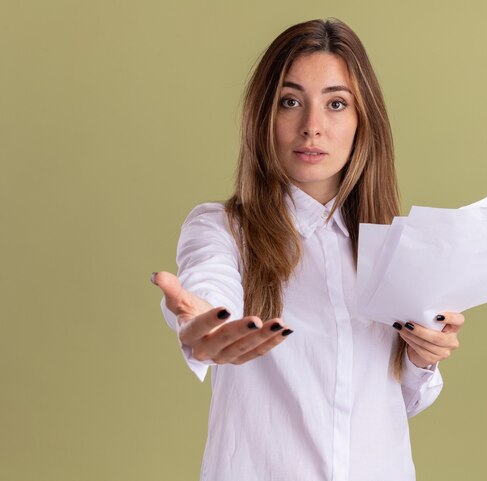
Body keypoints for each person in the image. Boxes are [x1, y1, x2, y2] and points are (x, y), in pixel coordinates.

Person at [152, 18, 464, 481]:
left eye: (336, 104)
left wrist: (422, 356)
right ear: (264, 116)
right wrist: (203, 326)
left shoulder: (397, 247)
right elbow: (208, 287)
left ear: (363, 120)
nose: (312, 127)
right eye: (291, 101)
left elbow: (398, 404)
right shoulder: (222, 229)